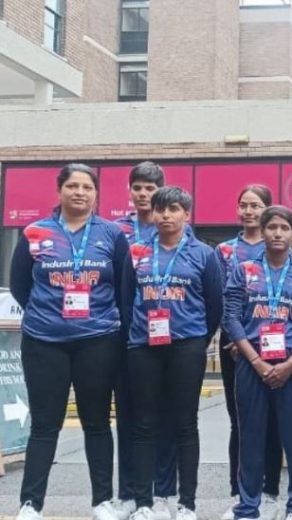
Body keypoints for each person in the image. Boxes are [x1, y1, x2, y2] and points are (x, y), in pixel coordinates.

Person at [11, 164, 130, 520]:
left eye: (87, 187)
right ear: (59, 190)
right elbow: (20, 285)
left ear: (96, 194)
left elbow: (124, 287)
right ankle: (31, 503)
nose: (80, 192)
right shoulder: (35, 231)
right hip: (44, 341)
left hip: (98, 340)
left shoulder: (112, 233)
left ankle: (102, 502)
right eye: (73, 186)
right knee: (45, 424)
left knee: (96, 422)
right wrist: (47, 314)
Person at [120, 187, 223, 520]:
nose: (165, 215)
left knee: (184, 424)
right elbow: (125, 299)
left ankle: (187, 503)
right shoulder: (135, 251)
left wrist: (196, 338)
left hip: (186, 345)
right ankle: (145, 502)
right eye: (160, 209)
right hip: (144, 346)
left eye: (173, 209)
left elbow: (214, 304)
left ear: (186, 215)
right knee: (145, 425)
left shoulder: (204, 254)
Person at [224, 206, 292, 520]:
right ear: (262, 231)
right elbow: (232, 318)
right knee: (250, 437)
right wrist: (255, 361)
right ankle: (248, 506)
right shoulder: (243, 270)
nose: (278, 233)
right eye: (272, 227)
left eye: (284, 228)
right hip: (252, 365)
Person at [112, 161, 179, 520]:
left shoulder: (174, 230)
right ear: (129, 191)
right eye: (137, 187)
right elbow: (117, 285)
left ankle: (164, 490)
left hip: (170, 339)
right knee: (130, 417)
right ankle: (130, 492)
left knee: (166, 416)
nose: (143, 194)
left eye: (150, 189)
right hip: (128, 338)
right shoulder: (115, 231)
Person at [215, 185, 284, 520]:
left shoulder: (280, 247)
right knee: (240, 423)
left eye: (256, 206)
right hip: (234, 348)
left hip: (275, 345)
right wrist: (236, 339)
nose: (249, 211)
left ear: (268, 210)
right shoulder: (226, 251)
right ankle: (240, 492)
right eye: (243, 205)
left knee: (273, 422)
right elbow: (220, 300)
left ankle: (270, 492)